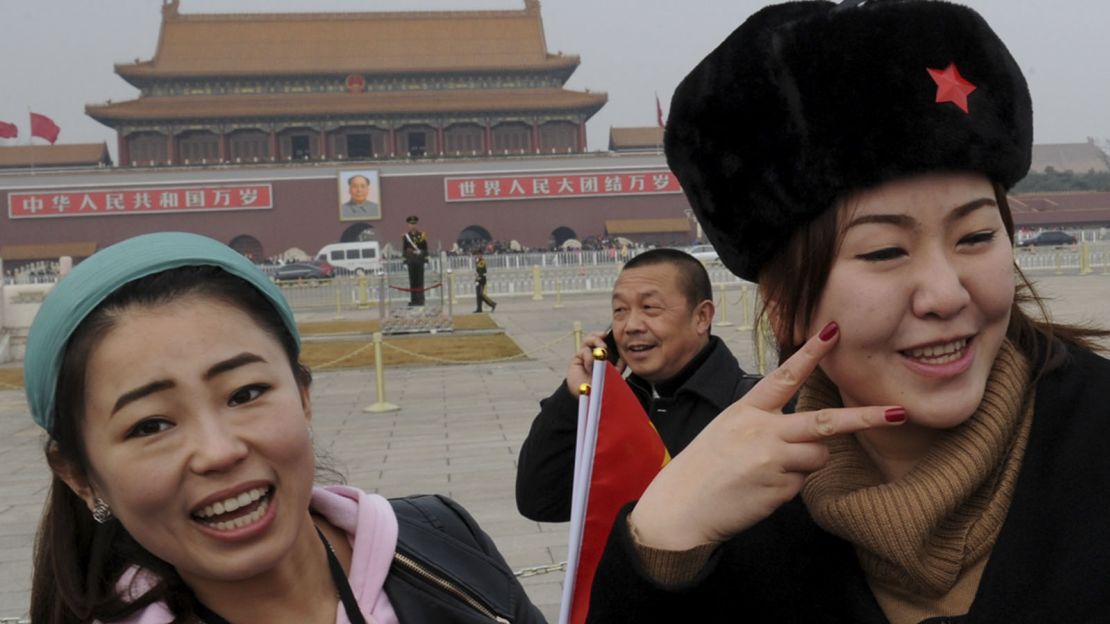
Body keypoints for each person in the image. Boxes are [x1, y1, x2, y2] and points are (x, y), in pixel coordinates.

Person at [587, 2, 1110, 622]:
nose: (945, 295)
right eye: (885, 250)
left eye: (974, 237)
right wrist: (662, 545)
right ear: (783, 305)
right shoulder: (738, 516)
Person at [25, 232, 545, 624]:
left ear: (302, 393)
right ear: (79, 474)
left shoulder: (443, 538)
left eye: (245, 394)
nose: (218, 451)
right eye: (151, 425)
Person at [516, 248, 758, 522]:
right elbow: (540, 501)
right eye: (620, 311)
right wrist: (575, 397)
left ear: (701, 317)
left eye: (650, 308)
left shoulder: (753, 409)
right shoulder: (617, 406)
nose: (630, 326)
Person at [402, 215, 428, 306]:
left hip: (419, 261)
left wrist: (425, 260)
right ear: (408, 225)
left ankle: (421, 300)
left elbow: (425, 248)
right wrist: (405, 262)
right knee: (412, 281)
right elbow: (404, 249)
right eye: (411, 224)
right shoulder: (406, 236)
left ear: (416, 224)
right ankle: (413, 300)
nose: (412, 225)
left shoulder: (422, 235)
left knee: (420, 281)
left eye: (414, 224)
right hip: (411, 261)